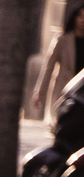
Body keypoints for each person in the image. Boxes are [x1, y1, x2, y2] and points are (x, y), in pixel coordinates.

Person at [29, 7, 83, 135]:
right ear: (74, 18)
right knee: (60, 127)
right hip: (64, 90)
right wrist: (39, 91)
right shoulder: (63, 39)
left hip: (82, 90)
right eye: (80, 16)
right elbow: (49, 67)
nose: (83, 20)